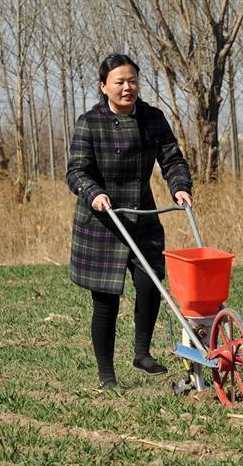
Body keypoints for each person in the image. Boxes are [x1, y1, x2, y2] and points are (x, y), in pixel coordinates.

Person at [67, 53, 193, 391]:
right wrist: (92, 192)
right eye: (120, 81)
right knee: (106, 301)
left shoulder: (153, 118)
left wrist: (180, 187)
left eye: (132, 80)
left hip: (141, 215)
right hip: (102, 221)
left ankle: (141, 352)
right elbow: (76, 170)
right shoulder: (89, 122)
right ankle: (107, 375)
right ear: (104, 86)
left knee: (151, 283)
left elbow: (172, 159)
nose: (127, 87)